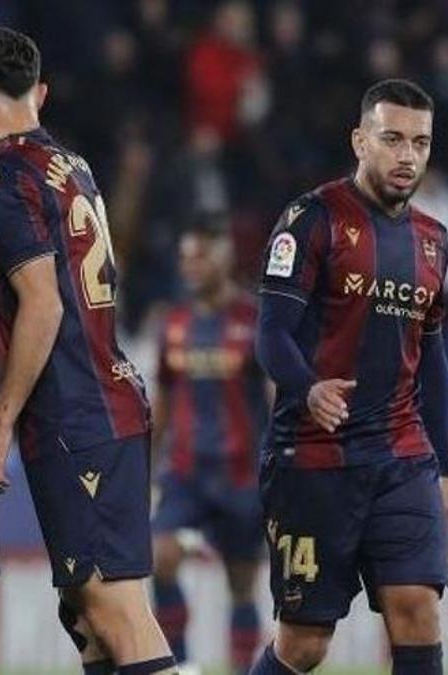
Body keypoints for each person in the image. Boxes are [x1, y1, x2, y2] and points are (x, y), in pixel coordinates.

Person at [0, 26, 177, 675]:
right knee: (86, 618)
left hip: (79, 411)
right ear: (41, 94)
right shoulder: (70, 166)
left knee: (114, 609)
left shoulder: (4, 178)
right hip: (107, 397)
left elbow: (44, 304)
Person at [249, 78, 448, 675]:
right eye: (392, 139)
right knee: (304, 645)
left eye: (420, 142)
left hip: (401, 456)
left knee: (418, 610)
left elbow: (432, 357)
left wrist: (445, 468)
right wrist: (308, 387)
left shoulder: (434, 240)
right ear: (360, 141)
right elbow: (272, 333)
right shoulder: (311, 219)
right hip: (314, 456)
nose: (407, 155)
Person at [151, 219, 267, 675]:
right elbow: (163, 400)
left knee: (241, 584)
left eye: (200, 256)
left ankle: (242, 670)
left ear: (225, 256)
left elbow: (276, 400)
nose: (191, 266)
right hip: (185, 472)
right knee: (161, 557)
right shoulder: (174, 323)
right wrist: (146, 467)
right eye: (185, 258)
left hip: (241, 474)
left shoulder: (254, 320)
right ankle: (183, 666)